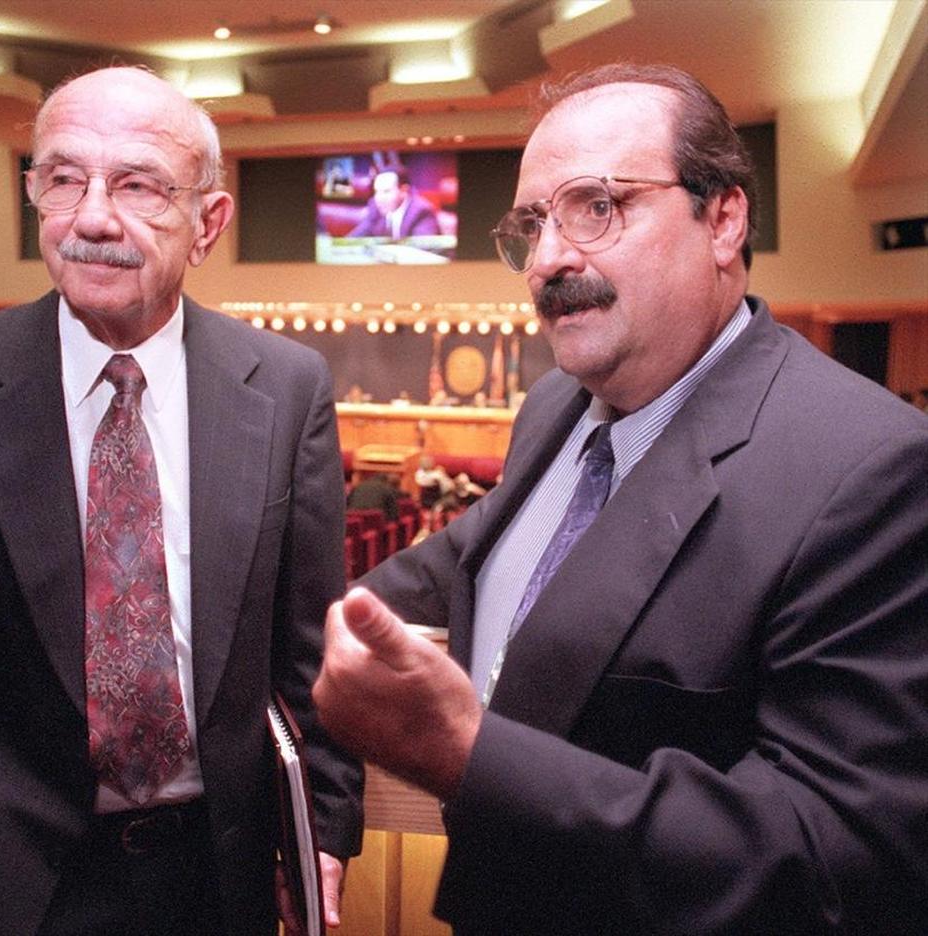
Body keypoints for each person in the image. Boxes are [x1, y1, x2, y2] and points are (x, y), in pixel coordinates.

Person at [313, 63, 928, 934]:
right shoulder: (555, 409)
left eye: (597, 206)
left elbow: (836, 861)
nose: (551, 258)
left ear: (724, 219)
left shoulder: (871, 469)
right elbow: (461, 563)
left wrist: (470, 755)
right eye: (534, 223)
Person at [0, 65, 363, 936]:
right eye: (64, 179)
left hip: (218, 884)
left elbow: (312, 650)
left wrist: (322, 832)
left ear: (208, 222)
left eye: (140, 185)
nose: (93, 217)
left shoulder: (288, 388)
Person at [348, 167, 440, 239]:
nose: (379, 198)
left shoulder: (422, 211)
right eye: (376, 192)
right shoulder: (375, 207)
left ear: (404, 191)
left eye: (386, 191)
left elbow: (423, 254)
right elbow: (355, 238)